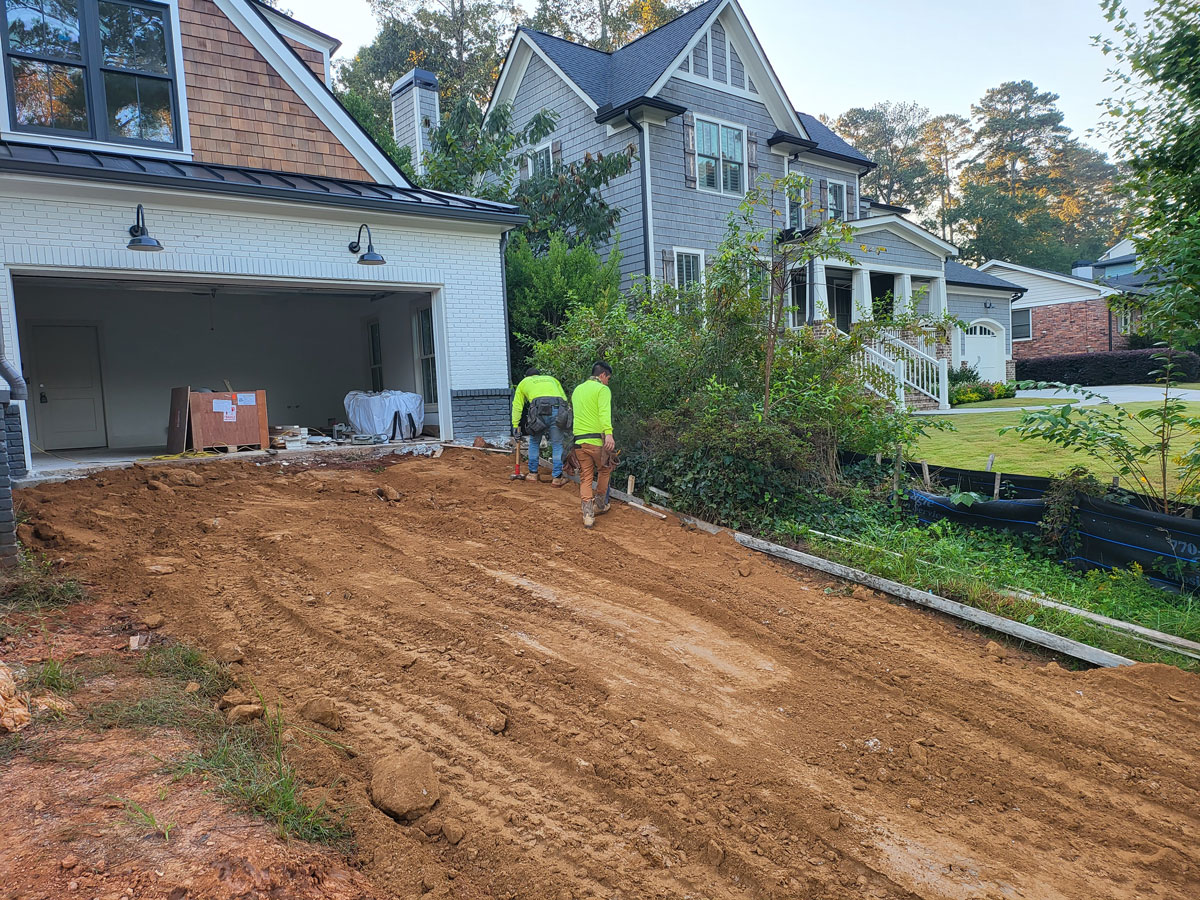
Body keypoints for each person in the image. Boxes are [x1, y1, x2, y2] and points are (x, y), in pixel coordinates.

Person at [570, 361, 615, 528]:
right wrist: (608, 434)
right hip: (596, 441)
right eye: (608, 378)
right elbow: (604, 413)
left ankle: (588, 514)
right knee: (605, 469)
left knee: (586, 477)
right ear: (602, 375)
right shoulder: (602, 389)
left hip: (579, 442)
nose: (607, 382)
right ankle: (600, 504)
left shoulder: (577, 390)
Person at [511, 367, 568, 486]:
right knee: (557, 444)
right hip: (557, 410)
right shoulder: (551, 379)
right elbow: (564, 400)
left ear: (527, 377)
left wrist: (515, 425)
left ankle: (532, 474)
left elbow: (517, 405)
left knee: (534, 442)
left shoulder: (524, 382)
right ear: (539, 375)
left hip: (537, 412)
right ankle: (557, 478)